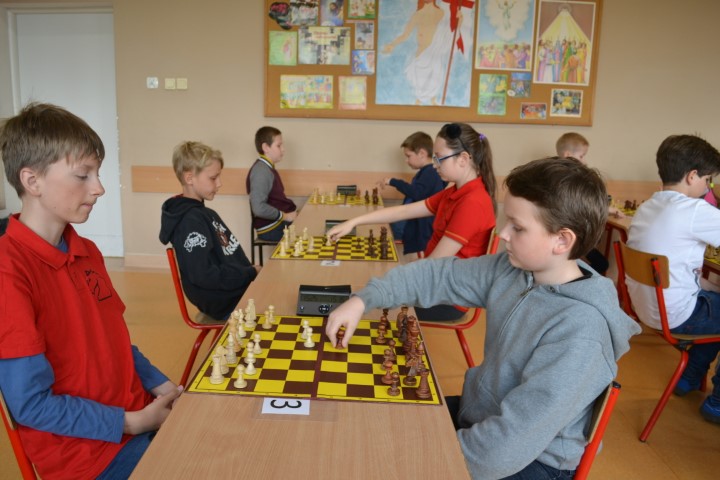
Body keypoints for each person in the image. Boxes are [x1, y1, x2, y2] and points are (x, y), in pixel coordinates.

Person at [327, 157, 641, 479]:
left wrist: (427, 457)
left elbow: (508, 444)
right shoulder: (513, 269)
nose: (503, 234)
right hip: (482, 416)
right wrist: (364, 300)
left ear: (562, 240)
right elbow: (437, 276)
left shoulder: (581, 331)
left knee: (390, 460)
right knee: (375, 424)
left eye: (518, 227)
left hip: (534, 460)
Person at [0, 103, 181, 480]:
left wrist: (165, 386)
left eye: (97, 173)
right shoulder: (9, 271)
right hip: (87, 457)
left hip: (138, 417)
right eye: (83, 175)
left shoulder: (87, 251)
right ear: (32, 181)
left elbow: (117, 343)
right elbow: (30, 405)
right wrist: (131, 422)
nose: (98, 188)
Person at [328, 122, 496, 321]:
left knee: (367, 305)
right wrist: (353, 222)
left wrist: (392, 281)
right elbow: (404, 211)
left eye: (439, 158)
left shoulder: (473, 202)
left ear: (463, 159)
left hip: (447, 298)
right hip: (435, 284)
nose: (434, 165)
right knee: (365, 291)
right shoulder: (454, 193)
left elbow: (433, 265)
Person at [626, 134, 720, 424]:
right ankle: (717, 402)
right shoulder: (694, 210)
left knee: (715, 301)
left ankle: (689, 377)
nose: (709, 187)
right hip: (677, 315)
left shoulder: (648, 206)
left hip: (649, 311)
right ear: (692, 176)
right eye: (708, 180)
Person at [159, 141, 259, 321]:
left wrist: (249, 273)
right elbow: (204, 276)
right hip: (222, 300)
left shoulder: (204, 214)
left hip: (233, 290)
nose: (219, 183)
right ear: (189, 178)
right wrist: (250, 273)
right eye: (213, 178)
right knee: (282, 303)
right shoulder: (190, 222)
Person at [556, 131, 623, 275]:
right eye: (581, 156)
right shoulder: (568, 180)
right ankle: (576, 278)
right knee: (601, 263)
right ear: (568, 155)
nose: (585, 161)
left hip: (569, 235)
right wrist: (607, 209)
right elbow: (581, 206)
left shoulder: (561, 177)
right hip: (571, 235)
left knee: (599, 261)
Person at [377, 131, 446, 255]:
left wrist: (392, 181)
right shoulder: (426, 172)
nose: (406, 160)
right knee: (382, 223)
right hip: (417, 225)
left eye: (408, 156)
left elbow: (415, 193)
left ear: (422, 154)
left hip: (422, 229)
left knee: (381, 226)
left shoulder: (430, 173)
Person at [246, 126, 298, 242]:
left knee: (308, 218)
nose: (283, 149)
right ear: (266, 147)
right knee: (311, 227)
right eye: (279, 146)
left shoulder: (267, 168)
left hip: (276, 224)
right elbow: (258, 208)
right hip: (271, 228)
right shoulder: (261, 171)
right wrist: (286, 216)